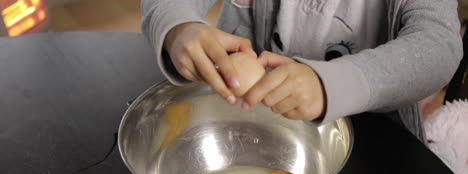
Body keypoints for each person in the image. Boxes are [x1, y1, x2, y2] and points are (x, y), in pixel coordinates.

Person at [141, 0, 463, 141]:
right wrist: (179, 28)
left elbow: (438, 46)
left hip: (376, 145)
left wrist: (328, 86)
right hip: (253, 124)